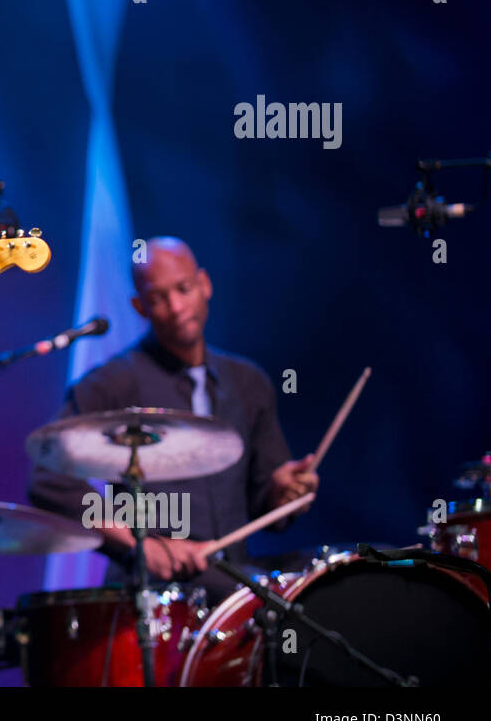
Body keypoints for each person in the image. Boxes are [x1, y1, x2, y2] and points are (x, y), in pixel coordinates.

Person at [27, 237, 318, 603]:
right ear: (139, 306)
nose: (177, 307)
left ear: (204, 284)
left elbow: (265, 502)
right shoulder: (111, 383)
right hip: (151, 593)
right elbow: (47, 482)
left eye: (183, 289)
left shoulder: (248, 382)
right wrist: (137, 543)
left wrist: (284, 492)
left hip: (236, 587)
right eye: (158, 298)